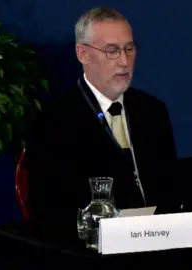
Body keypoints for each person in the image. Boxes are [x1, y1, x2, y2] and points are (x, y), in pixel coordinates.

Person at [25, 7, 180, 239]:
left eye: (129, 49)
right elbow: (50, 211)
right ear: (83, 54)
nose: (124, 61)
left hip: (158, 242)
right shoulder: (53, 121)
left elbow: (170, 188)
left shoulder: (152, 110)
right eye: (112, 51)